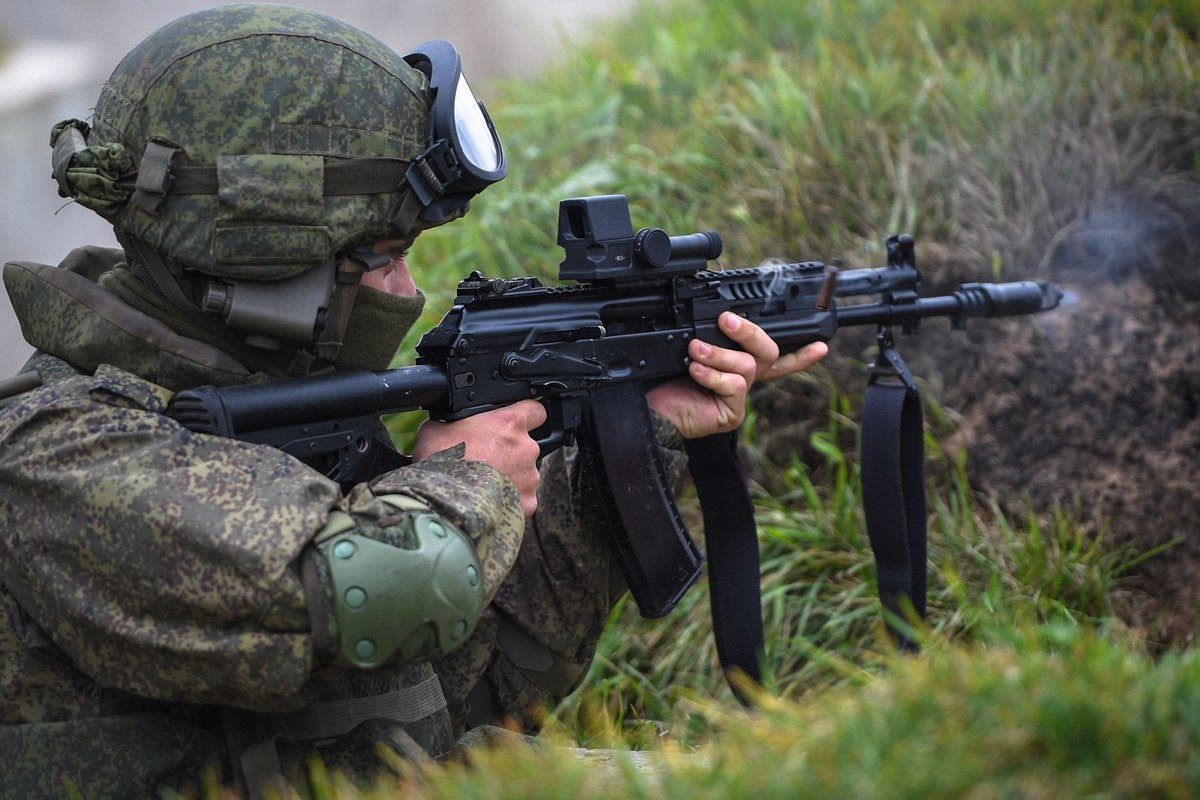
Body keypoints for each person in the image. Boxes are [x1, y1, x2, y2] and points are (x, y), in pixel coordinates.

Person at [0, 4, 828, 798]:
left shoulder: (285, 401)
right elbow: (353, 596)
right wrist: (471, 483)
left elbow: (477, 683)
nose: (408, 289)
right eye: (383, 258)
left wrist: (635, 438)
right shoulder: (59, 454)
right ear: (268, 258)